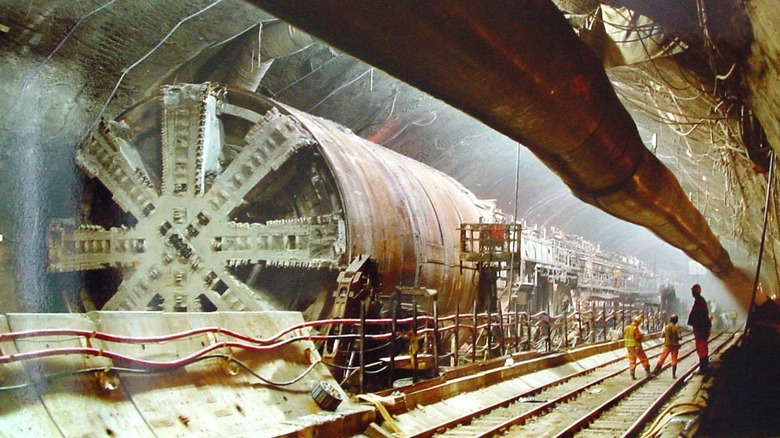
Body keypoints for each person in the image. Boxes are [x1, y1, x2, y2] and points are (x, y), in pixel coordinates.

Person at [687, 283, 711, 373]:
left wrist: (695, 325)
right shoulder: (700, 300)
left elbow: (698, 315)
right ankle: (704, 366)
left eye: (693, 290)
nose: (692, 292)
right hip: (702, 327)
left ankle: (703, 367)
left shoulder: (699, 301)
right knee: (702, 346)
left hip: (701, 327)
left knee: (701, 346)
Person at [624, 315, 651, 379]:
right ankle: (648, 373)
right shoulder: (635, 328)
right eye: (639, 323)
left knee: (632, 361)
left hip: (628, 347)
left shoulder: (626, 328)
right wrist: (642, 335)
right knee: (644, 359)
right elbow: (637, 337)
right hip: (636, 346)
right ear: (638, 322)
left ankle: (632, 375)